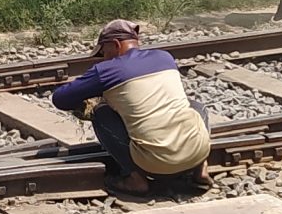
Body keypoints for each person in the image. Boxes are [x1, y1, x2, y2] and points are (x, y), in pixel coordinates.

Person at [50, 19, 211, 196]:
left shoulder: (106, 70)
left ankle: (135, 179)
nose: (103, 58)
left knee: (101, 113)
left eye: (103, 52)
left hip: (155, 165)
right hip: (197, 153)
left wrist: (91, 101)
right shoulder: (165, 57)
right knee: (195, 106)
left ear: (115, 44)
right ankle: (201, 168)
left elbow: (60, 99)